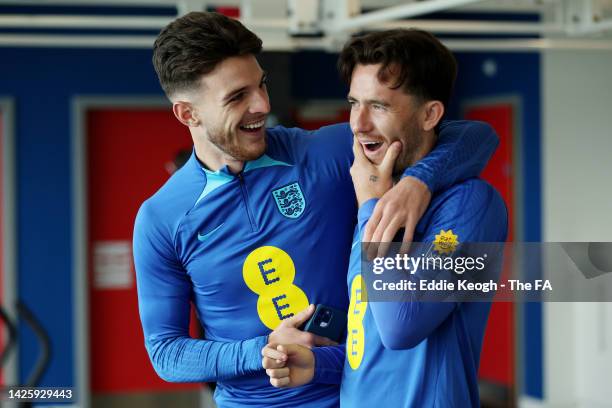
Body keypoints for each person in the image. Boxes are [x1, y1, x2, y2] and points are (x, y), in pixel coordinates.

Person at [133, 12, 498, 408]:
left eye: (262, 85)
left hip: (354, 391)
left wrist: (418, 182)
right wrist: (260, 351)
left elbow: (473, 135)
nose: (262, 105)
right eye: (238, 97)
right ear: (188, 114)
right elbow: (166, 353)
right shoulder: (161, 219)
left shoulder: (326, 152)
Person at [261, 29, 508, 407]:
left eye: (378, 106)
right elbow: (369, 345)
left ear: (430, 114)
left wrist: (372, 207)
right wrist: (317, 364)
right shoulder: (378, 195)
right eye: (354, 102)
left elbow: (400, 326)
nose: (357, 124)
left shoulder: (469, 205)